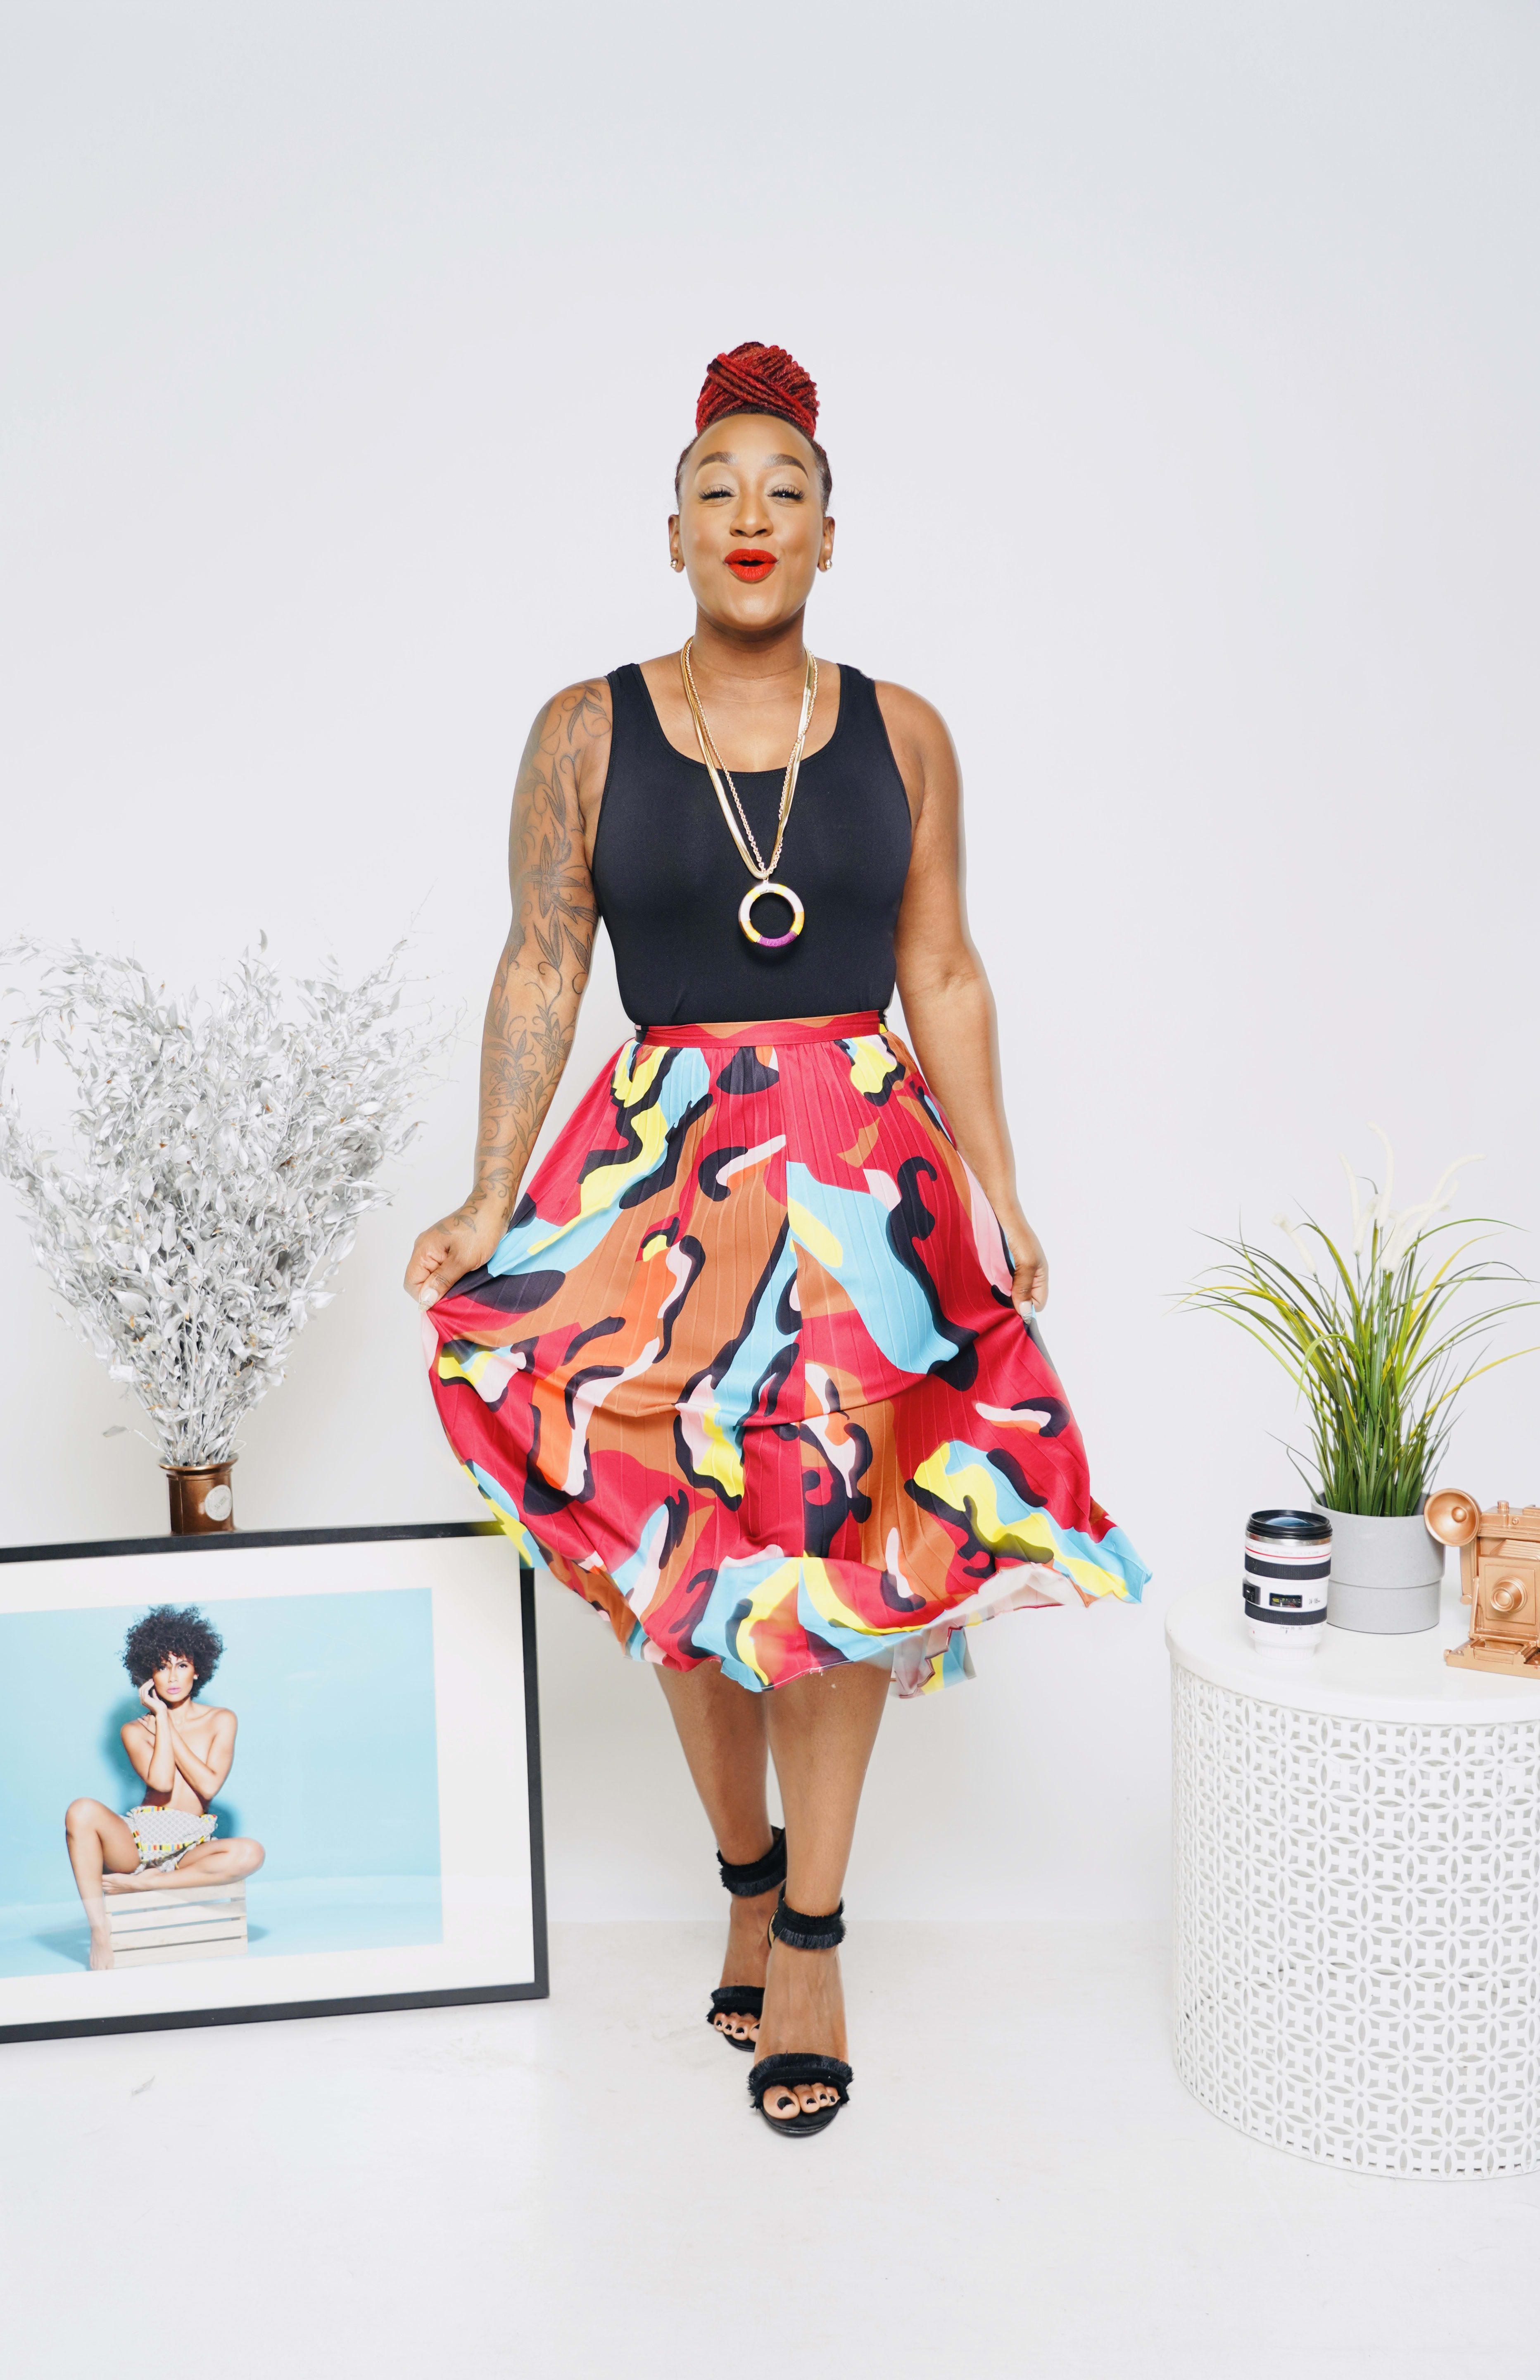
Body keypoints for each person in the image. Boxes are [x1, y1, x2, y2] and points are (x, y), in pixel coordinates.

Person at [405, 341, 1147, 2136]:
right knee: (676, 1542)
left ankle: (807, 1927)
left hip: (854, 1181)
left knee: (831, 1553)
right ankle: (740, 1869)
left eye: (785, 490)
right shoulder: (586, 727)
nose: (751, 517)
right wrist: (494, 1189)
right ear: (670, 531)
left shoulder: (901, 733)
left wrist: (995, 1177)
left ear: (830, 534)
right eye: (719, 490)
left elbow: (944, 967)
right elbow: (538, 960)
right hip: (662, 1187)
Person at [63, 1602, 264, 1972]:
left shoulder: (222, 1720)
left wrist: (168, 1726)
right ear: (148, 1676)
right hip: (138, 1843)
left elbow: (208, 1784)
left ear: (198, 1670)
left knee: (251, 1853)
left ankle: (148, 1886)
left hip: (192, 1848)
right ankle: (99, 1930)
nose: (172, 1677)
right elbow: (161, 1781)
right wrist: (161, 1717)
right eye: (162, 1666)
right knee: (80, 1810)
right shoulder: (135, 1729)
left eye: (182, 1665)